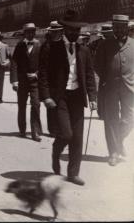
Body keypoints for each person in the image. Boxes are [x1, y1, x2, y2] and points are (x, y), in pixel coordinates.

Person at [39, 10, 97, 186]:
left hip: (77, 96)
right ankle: (57, 150)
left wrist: (93, 97)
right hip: (60, 97)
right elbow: (43, 74)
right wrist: (46, 96)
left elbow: (88, 75)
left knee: (77, 137)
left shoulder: (84, 50)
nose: (74, 34)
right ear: (64, 30)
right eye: (71, 31)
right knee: (66, 133)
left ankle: (73, 173)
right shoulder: (50, 48)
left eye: (77, 31)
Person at [94, 15, 134, 166]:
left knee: (130, 119)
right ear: (113, 27)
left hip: (129, 88)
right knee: (111, 120)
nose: (118, 29)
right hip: (109, 87)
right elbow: (97, 64)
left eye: (121, 26)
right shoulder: (105, 44)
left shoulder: (133, 44)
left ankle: (118, 141)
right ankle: (113, 152)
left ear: (127, 27)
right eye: (116, 26)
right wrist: (105, 79)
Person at [10, 23, 43, 141]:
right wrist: (14, 81)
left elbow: (44, 64)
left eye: (32, 32)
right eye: (28, 32)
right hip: (22, 81)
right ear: (24, 33)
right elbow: (14, 63)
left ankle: (35, 132)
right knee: (21, 106)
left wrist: (36, 74)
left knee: (36, 104)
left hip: (35, 81)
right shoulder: (20, 46)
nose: (30, 34)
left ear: (35, 33)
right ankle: (22, 129)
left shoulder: (40, 45)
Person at [41, 21, 65, 136]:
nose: (56, 34)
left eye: (58, 32)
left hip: (63, 83)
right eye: (53, 32)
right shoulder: (46, 46)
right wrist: (45, 94)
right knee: (51, 108)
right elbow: (43, 71)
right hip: (50, 84)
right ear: (50, 33)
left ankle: (60, 129)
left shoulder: (65, 45)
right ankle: (53, 130)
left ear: (61, 32)